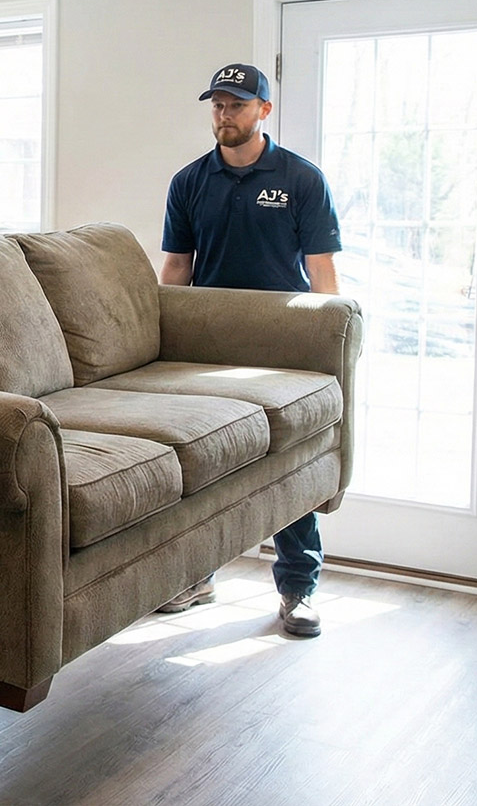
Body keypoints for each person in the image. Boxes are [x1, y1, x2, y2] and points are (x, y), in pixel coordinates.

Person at [158, 62, 341, 638]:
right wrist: (158, 338)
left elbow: (322, 274)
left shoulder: (301, 179)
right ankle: (197, 574)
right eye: (216, 104)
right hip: (204, 344)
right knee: (203, 460)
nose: (224, 114)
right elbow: (176, 269)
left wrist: (325, 347)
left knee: (289, 469)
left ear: (264, 110)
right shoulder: (189, 182)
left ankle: (298, 589)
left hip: (281, 345)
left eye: (236, 104)